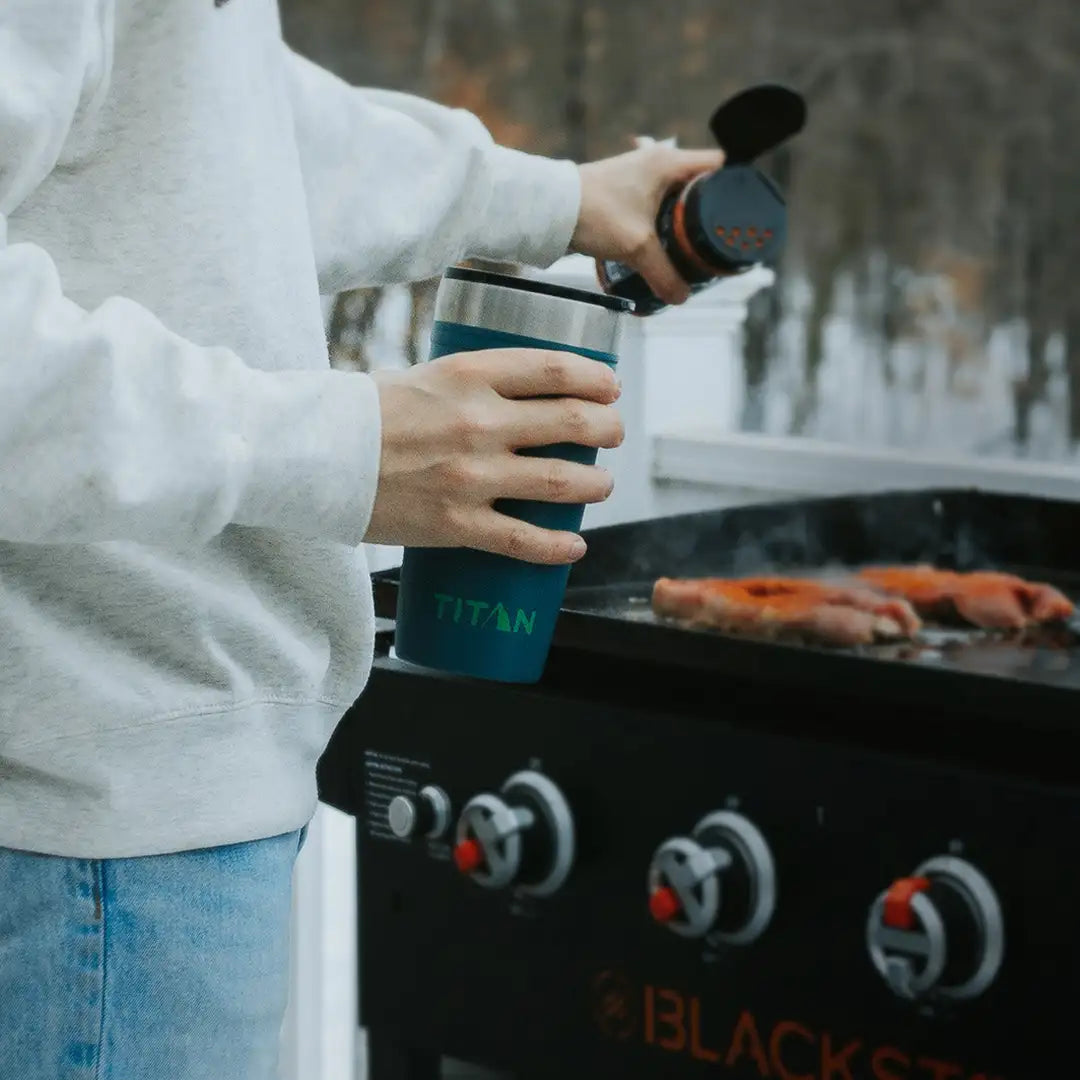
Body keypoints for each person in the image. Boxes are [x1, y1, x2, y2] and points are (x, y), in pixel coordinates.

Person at [0, 3, 724, 1077]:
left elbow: (224, 136)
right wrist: (349, 449)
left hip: (137, 813)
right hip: (91, 836)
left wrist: (565, 199)